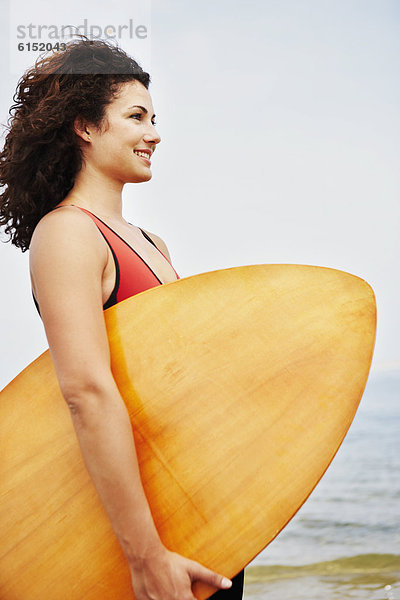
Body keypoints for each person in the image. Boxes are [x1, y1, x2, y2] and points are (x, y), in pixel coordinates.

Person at [0, 37, 245, 599]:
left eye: (154, 118)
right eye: (136, 117)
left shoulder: (151, 242)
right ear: (85, 126)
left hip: (193, 517)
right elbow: (87, 391)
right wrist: (145, 556)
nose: (154, 134)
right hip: (142, 542)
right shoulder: (67, 235)